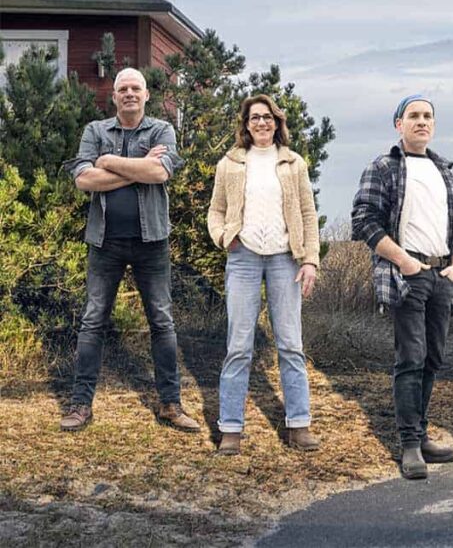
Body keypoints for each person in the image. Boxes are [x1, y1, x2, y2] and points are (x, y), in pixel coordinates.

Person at [60, 67, 198, 433]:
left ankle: (171, 404)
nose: (130, 94)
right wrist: (137, 167)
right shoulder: (95, 131)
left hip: (151, 242)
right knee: (92, 322)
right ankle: (80, 405)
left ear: (147, 94)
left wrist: (107, 162)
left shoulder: (162, 130)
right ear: (115, 95)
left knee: (162, 323)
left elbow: (160, 174)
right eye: (123, 89)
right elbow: (83, 180)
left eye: (136, 88)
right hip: (104, 243)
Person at [351, 94, 453, 480]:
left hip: (441, 277)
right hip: (408, 274)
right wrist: (404, 261)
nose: (422, 121)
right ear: (398, 124)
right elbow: (364, 221)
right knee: (411, 358)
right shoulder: (384, 167)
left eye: (428, 116)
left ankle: (421, 432)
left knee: (433, 358)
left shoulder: (445, 171)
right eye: (413, 116)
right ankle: (409, 445)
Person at [207, 94, 321, 455]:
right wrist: (225, 237)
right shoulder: (230, 163)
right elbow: (216, 211)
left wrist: (310, 261)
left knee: (290, 344)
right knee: (239, 345)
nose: (262, 123)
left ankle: (298, 425)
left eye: (268, 117)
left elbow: (308, 214)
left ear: (277, 122)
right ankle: (231, 429)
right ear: (246, 123)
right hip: (243, 258)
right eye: (255, 117)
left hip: (286, 259)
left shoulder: (293, 163)